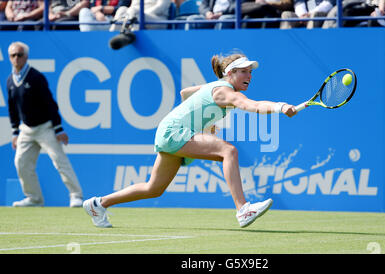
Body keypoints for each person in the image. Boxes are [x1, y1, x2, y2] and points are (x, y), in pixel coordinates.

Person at [83, 52, 298, 228]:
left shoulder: (214, 87)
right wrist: (281, 106)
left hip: (169, 130)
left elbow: (185, 93)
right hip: (175, 131)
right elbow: (253, 106)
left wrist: (205, 121)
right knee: (228, 151)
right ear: (231, 73)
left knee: (154, 188)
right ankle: (243, 209)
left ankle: (98, 204)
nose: (249, 75)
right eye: (244, 71)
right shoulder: (226, 91)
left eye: (250, 72)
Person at [6, 42, 84, 208]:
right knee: (21, 163)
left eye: (19, 55)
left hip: (45, 128)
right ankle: (34, 198)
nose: (16, 59)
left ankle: (76, 196)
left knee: (59, 161)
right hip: (26, 130)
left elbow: (49, 103)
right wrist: (14, 132)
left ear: (26, 57)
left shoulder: (36, 77)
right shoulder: (10, 81)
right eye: (13, 55)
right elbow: (12, 108)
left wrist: (58, 128)